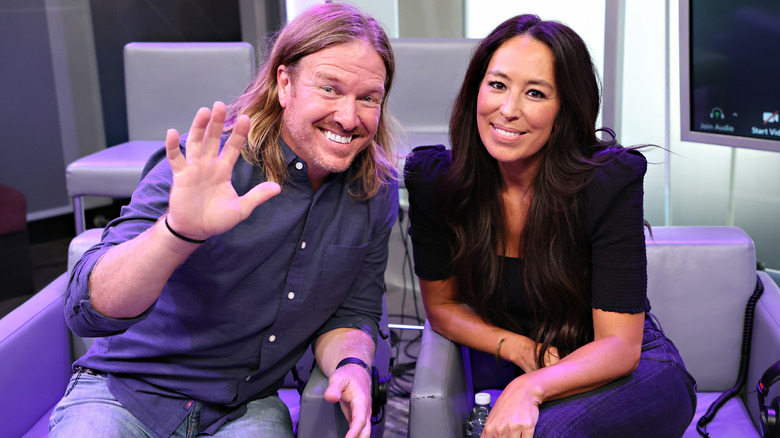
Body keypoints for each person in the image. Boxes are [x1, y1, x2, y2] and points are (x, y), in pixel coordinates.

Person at [50, 4, 398, 438]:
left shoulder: (373, 189)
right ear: (285, 84)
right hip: (126, 393)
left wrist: (352, 365)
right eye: (329, 89)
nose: (349, 118)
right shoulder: (207, 168)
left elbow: (353, 309)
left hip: (245, 405)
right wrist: (177, 234)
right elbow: (88, 313)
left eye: (369, 98)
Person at [405, 14, 696, 437]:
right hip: (533, 365)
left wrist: (530, 386)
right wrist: (520, 349)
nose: (508, 109)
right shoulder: (437, 182)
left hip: (628, 372)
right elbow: (443, 308)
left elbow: (620, 346)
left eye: (536, 93)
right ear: (475, 92)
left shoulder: (606, 183)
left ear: (564, 113)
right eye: (498, 85)